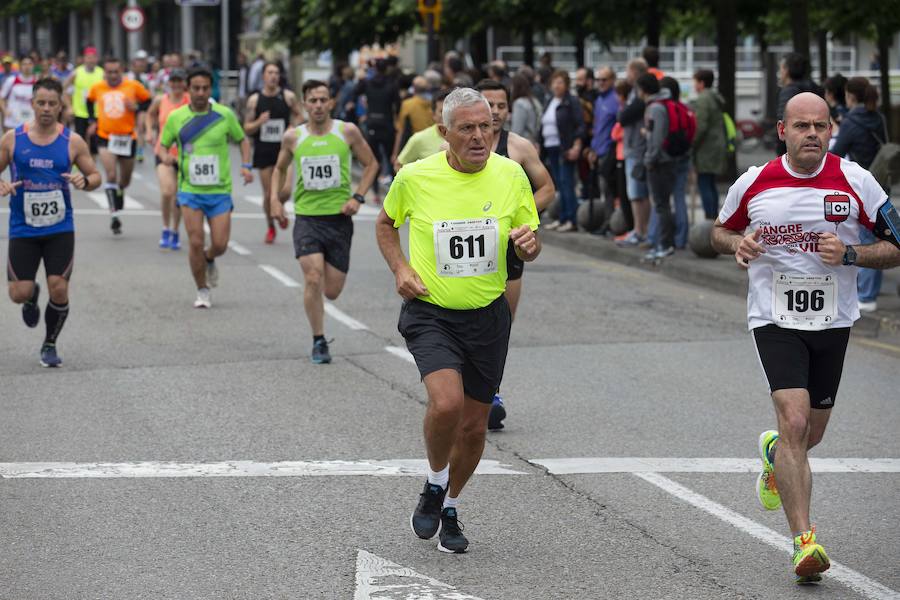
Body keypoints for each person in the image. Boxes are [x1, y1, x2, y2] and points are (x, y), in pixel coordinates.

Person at [711, 92, 900, 584]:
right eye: (801, 126)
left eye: (820, 125)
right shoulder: (755, 183)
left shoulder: (857, 181)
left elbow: (897, 245)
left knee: (810, 433)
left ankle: (775, 455)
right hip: (774, 316)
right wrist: (739, 242)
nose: (812, 133)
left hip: (833, 321)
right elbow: (718, 232)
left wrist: (853, 254)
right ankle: (804, 541)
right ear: (783, 131)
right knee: (794, 419)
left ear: (831, 128)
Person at [375, 87, 540, 554]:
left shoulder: (511, 175)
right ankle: (433, 481)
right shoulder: (415, 177)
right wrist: (401, 268)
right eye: (466, 128)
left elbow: (530, 237)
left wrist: (530, 246)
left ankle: (448, 504)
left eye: (485, 126)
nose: (478, 137)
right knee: (446, 405)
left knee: (473, 427)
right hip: (431, 313)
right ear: (443, 132)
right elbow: (386, 225)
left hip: (488, 317)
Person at [270, 79, 378, 363]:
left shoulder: (347, 132)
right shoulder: (293, 137)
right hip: (307, 217)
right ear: (304, 104)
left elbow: (371, 164)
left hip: (340, 219)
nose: (318, 105)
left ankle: (320, 330)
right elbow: (279, 169)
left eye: (322, 100)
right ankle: (318, 340)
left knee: (332, 290)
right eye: (312, 100)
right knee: (312, 276)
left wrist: (358, 197)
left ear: (331, 102)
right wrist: (274, 200)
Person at [0, 77, 101, 366]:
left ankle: (49, 343)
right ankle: (32, 296)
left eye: (52, 104)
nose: (46, 108)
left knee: (59, 286)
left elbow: (96, 176)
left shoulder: (72, 141)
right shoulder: (13, 139)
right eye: (41, 103)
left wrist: (86, 181)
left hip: (60, 227)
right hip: (23, 227)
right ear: (32, 104)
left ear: (61, 107)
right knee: (18, 294)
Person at [476, 78, 555, 429]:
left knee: (501, 324)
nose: (495, 112)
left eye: (501, 105)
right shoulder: (458, 146)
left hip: (508, 249)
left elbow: (547, 189)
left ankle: (491, 391)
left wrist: (518, 217)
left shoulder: (518, 147)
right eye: (488, 105)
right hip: (467, 249)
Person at [158, 67, 253, 309]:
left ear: (211, 90)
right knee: (196, 241)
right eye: (196, 88)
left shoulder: (224, 115)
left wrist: (246, 165)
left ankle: (210, 259)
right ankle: (202, 290)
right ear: (189, 90)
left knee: (220, 244)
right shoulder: (176, 117)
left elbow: (242, 140)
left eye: (205, 88)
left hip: (219, 191)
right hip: (190, 190)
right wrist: (166, 157)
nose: (200, 93)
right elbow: (162, 145)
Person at [832, 77, 888, 312]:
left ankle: (865, 296)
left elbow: (836, 153)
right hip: (882, 183)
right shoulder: (878, 117)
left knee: (862, 240)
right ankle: (869, 292)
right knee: (878, 239)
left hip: (858, 187)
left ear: (850, 96)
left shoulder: (851, 121)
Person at [86, 56, 152, 235]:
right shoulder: (98, 87)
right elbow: (89, 101)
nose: (113, 75)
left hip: (127, 137)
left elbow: (148, 101)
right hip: (105, 136)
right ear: (104, 72)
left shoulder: (133, 86)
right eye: (109, 72)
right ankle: (114, 215)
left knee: (125, 179)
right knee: (111, 174)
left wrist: (136, 107)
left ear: (121, 70)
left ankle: (121, 190)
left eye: (116, 71)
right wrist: (93, 120)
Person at [244, 62, 303, 244]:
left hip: (284, 149)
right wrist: (259, 122)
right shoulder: (254, 100)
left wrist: (293, 127)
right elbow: (246, 128)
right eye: (270, 72)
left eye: (276, 73)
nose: (273, 76)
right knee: (269, 194)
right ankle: (271, 226)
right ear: (263, 76)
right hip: (263, 151)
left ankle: (280, 207)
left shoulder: (288, 96)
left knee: (284, 191)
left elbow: (300, 115)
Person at [145, 68, 190, 250]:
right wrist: (149, 131)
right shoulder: (160, 100)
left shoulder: (190, 100)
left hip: (185, 154)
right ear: (168, 83)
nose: (177, 85)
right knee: (167, 191)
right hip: (163, 151)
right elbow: (149, 114)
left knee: (178, 195)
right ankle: (165, 227)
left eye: (180, 81)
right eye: (174, 81)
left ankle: (175, 230)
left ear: (184, 83)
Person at [636, 73, 676, 260]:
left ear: (643, 89)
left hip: (660, 162)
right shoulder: (658, 105)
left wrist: (649, 159)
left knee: (661, 205)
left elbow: (658, 137)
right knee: (661, 204)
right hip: (661, 160)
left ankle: (666, 245)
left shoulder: (656, 107)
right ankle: (662, 243)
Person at [540, 70, 584, 232]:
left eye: (560, 82)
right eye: (554, 82)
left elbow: (580, 125)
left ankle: (571, 219)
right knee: (559, 183)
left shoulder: (571, 101)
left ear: (566, 85)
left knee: (567, 183)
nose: (557, 86)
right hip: (550, 146)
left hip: (564, 147)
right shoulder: (550, 100)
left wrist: (576, 146)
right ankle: (562, 217)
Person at [616, 58, 650, 246]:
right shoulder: (636, 93)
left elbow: (624, 116)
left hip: (636, 149)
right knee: (636, 193)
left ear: (636, 73)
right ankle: (639, 230)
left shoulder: (639, 94)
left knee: (637, 193)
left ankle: (640, 231)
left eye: (628, 72)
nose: (626, 76)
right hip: (634, 148)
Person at [691, 69, 727, 220]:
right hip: (716, 145)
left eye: (695, 81)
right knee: (711, 183)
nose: (693, 85)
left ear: (701, 83)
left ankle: (709, 219)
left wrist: (692, 145)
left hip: (706, 148)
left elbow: (701, 126)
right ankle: (714, 217)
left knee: (704, 182)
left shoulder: (703, 99)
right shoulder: (715, 97)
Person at [775, 53, 823, 156]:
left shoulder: (788, 92)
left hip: (794, 151)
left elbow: (784, 123)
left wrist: (781, 156)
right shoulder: (815, 88)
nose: (780, 73)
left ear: (786, 70)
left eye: (781, 69)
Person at [64, 47, 103, 155]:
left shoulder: (102, 73)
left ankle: (92, 168)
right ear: (84, 59)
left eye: (93, 57)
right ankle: (77, 164)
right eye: (88, 57)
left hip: (97, 113)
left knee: (95, 146)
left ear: (97, 59)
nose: (91, 60)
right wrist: (69, 106)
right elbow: (63, 89)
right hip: (80, 113)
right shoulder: (76, 73)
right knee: (79, 142)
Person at [396, 90, 448, 168]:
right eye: (442, 111)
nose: (447, 115)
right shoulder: (418, 139)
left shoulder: (464, 137)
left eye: (450, 111)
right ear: (433, 115)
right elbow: (399, 165)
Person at [390, 76, 434, 170]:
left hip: (414, 146)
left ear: (413, 88)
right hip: (433, 146)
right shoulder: (433, 104)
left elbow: (400, 130)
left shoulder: (408, 104)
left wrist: (395, 153)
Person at [1, 56, 37, 134]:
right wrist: (5, 110)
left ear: (33, 66)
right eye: (24, 64)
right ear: (20, 66)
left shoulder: (37, 82)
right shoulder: (11, 81)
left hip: (31, 120)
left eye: (29, 64)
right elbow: (1, 98)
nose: (27, 66)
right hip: (13, 121)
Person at [509, 73, 541, 148]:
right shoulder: (534, 100)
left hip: (522, 144)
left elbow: (517, 130)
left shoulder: (519, 104)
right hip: (533, 141)